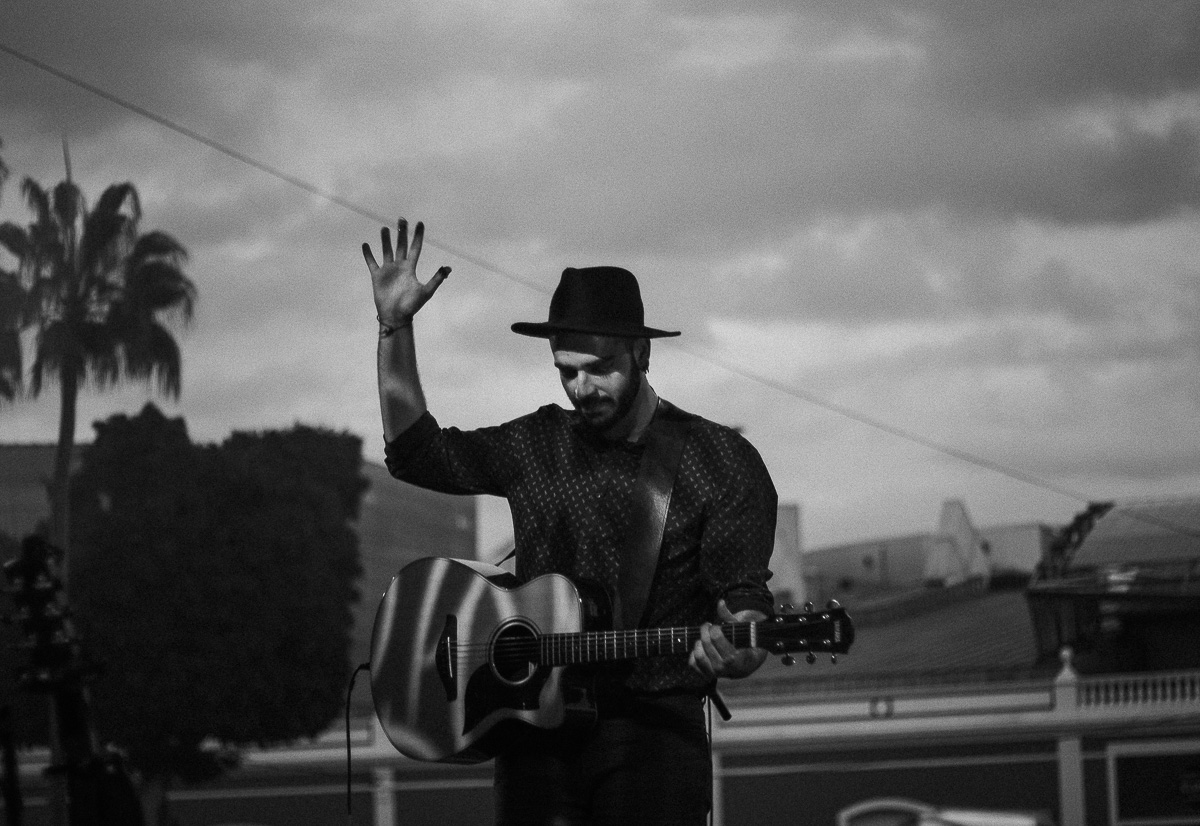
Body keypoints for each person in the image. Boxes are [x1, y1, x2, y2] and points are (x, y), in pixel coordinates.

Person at [362, 218, 778, 826]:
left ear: (642, 352)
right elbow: (415, 454)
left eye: (599, 367)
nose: (581, 387)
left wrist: (738, 648)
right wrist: (394, 328)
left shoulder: (720, 461)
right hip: (533, 734)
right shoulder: (537, 444)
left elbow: (744, 603)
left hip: (655, 738)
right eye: (565, 370)